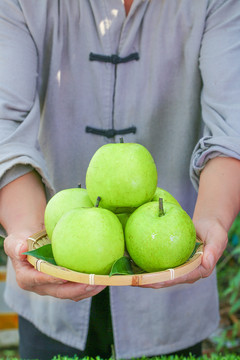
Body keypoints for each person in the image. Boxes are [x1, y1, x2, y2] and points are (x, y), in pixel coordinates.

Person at [0, 0, 240, 359]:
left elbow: (233, 121)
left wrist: (213, 219)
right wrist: (27, 233)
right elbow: (4, 119)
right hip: (53, 298)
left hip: (170, 282)